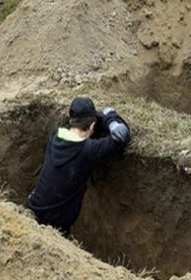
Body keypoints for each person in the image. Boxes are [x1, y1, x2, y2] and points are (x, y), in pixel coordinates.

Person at [27, 97, 131, 237]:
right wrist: (111, 119)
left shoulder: (56, 135)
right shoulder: (88, 151)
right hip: (54, 228)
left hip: (31, 211)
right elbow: (122, 138)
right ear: (93, 126)